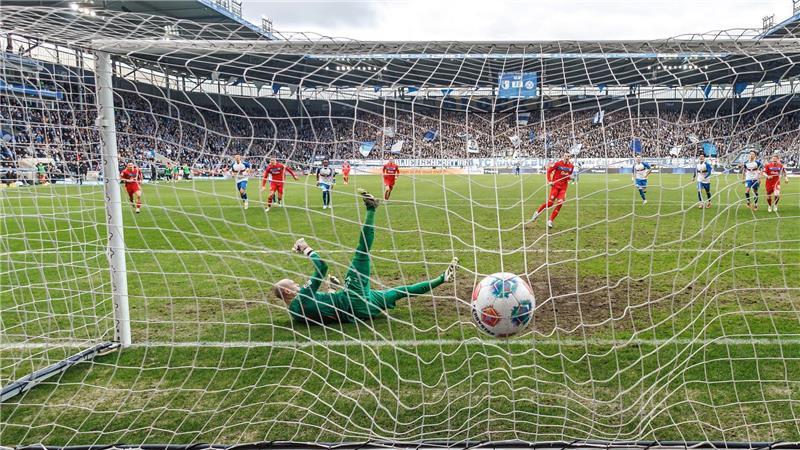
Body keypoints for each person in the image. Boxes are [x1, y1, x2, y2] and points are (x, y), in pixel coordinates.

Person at [272, 189, 459, 325]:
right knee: (362, 252)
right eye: (294, 284)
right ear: (288, 292)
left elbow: (327, 310)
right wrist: (305, 248)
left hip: (362, 311)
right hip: (354, 299)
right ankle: (371, 209)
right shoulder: (301, 298)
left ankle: (442, 278)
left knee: (401, 291)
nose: (298, 284)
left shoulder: (295, 313)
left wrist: (331, 289)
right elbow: (322, 267)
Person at [530, 152, 574, 228]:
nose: (567, 157)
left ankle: (550, 221)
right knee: (550, 203)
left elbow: (567, 176)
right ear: (563, 156)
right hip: (555, 186)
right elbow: (549, 171)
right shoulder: (558, 164)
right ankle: (537, 213)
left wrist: (571, 178)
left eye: (568, 156)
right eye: (565, 156)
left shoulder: (571, 166)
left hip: (563, 188)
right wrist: (550, 181)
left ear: (570, 157)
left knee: (560, 203)